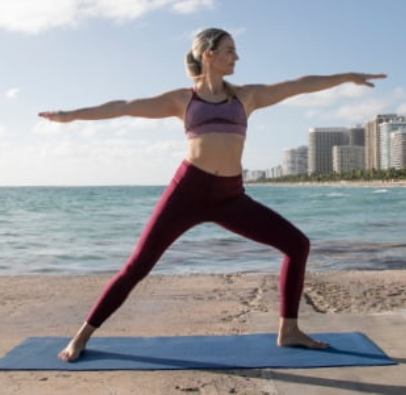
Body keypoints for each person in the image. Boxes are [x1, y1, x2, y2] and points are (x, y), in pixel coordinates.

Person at [39, 28, 386, 362]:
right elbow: (123, 106)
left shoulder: (245, 97)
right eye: (230, 50)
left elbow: (297, 86)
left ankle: (289, 330)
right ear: (209, 55)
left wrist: (346, 76)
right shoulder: (182, 100)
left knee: (297, 245)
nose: (237, 56)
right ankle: (82, 336)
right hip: (187, 192)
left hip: (230, 196)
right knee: (137, 266)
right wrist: (71, 116)